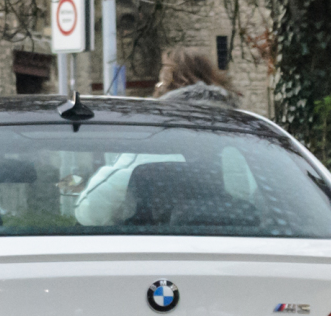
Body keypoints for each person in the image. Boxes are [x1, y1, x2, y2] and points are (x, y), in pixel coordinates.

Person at [74, 48, 240, 226]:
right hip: (232, 232)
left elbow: (92, 208)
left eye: (163, 71)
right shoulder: (237, 130)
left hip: (158, 236)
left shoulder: (160, 129)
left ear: (168, 78)